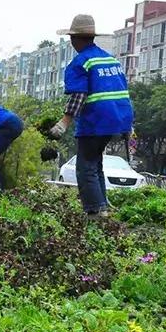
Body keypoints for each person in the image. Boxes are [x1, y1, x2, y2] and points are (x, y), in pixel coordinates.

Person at [48, 14, 133, 217]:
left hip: (97, 120)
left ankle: (95, 212)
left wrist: (63, 123)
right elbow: (123, 92)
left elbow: (79, 95)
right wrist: (128, 126)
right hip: (118, 119)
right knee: (96, 164)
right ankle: (102, 207)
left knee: (85, 167)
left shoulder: (81, 62)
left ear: (74, 39)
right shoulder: (111, 60)